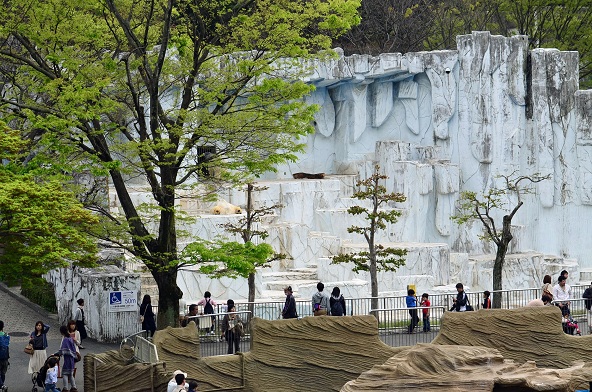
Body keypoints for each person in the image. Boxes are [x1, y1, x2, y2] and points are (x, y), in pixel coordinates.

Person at [59, 325, 78, 392]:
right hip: (72, 359)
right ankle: (74, 387)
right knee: (71, 374)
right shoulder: (70, 338)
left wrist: (57, 354)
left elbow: (63, 350)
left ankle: (65, 388)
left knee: (64, 373)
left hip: (67, 359)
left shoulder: (65, 340)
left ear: (61, 332)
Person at [0, 321, 9, 392]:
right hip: (5, 357)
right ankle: (2, 385)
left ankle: (2, 385)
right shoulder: (6, 336)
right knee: (3, 373)